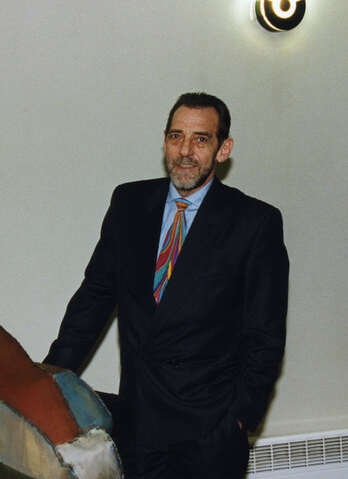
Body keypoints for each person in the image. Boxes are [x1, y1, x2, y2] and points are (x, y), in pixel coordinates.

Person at [44, 92, 289, 478]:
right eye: (176, 137)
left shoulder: (254, 223)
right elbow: (93, 299)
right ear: (164, 141)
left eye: (201, 139)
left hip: (210, 431)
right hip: (139, 423)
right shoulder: (128, 203)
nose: (185, 151)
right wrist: (51, 381)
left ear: (223, 149)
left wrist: (240, 419)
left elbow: (265, 336)